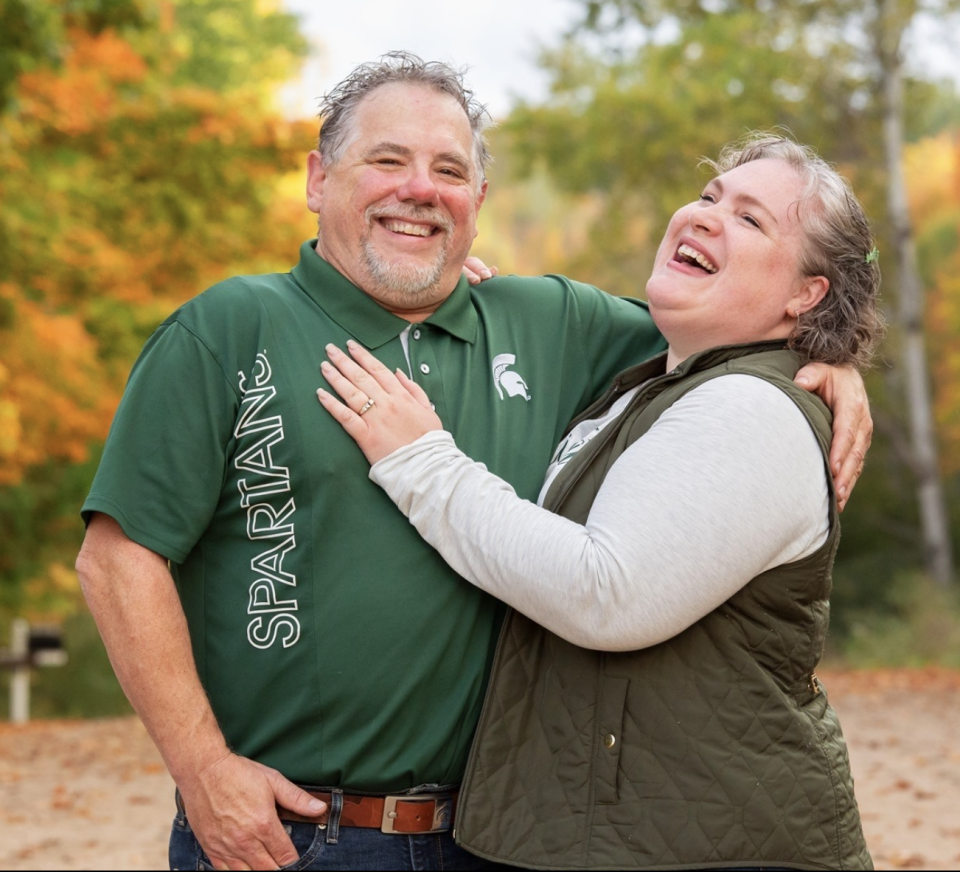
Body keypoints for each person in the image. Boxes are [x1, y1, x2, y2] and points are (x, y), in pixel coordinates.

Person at [75, 49, 872, 872]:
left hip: (498, 840)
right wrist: (201, 768)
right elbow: (116, 560)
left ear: (478, 202)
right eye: (387, 160)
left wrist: (830, 360)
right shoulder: (227, 328)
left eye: (448, 170)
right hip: (291, 833)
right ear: (318, 180)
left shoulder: (551, 322)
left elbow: (724, 335)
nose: (419, 189)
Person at [316, 132, 881, 869]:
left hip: (716, 846)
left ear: (807, 294)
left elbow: (605, 593)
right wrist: (473, 304)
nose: (708, 216)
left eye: (750, 220)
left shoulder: (753, 410)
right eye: (710, 197)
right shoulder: (658, 384)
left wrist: (420, 461)